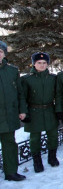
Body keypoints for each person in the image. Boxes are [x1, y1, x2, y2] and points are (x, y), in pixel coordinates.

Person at [21, 52, 59, 173]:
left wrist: (58, 110)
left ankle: (52, 157)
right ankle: (37, 162)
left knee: (53, 135)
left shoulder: (53, 78)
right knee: (34, 138)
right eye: (39, 63)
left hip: (49, 110)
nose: (42, 65)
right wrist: (24, 112)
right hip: (34, 111)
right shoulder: (26, 79)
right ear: (33, 64)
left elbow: (58, 96)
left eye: (44, 63)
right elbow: (22, 97)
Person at [0, 41, 26, 181]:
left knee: (9, 144)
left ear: (4, 54)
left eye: (0, 51)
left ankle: (11, 172)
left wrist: (22, 110)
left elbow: (20, 93)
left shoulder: (12, 71)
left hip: (9, 115)